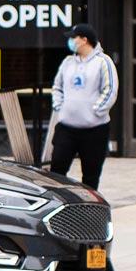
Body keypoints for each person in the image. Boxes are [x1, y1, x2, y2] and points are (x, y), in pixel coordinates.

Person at [49, 22, 118, 190]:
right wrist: (60, 106)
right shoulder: (68, 62)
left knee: (90, 175)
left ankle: (88, 211)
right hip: (67, 127)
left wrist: (95, 111)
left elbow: (110, 89)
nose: (71, 42)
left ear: (84, 40)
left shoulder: (103, 61)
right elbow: (57, 87)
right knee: (56, 170)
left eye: (74, 38)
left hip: (94, 129)